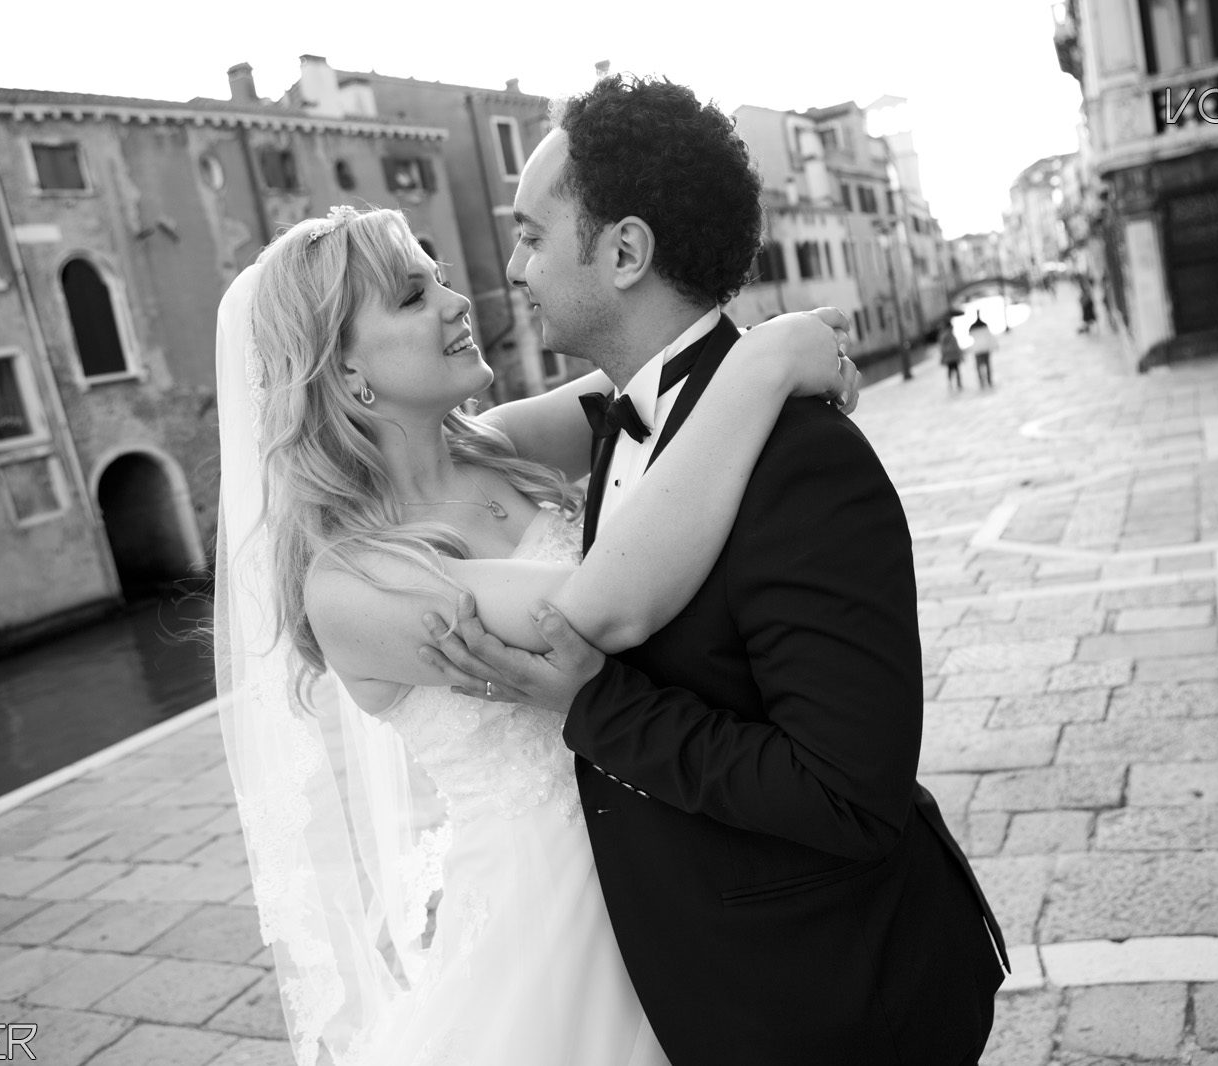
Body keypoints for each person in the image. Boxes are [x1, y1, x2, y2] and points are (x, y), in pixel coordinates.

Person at [421, 75, 1008, 1066]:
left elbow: (848, 794)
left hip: (831, 1005)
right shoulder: (621, 419)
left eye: (530, 234)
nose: (512, 266)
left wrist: (599, 704)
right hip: (710, 993)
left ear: (623, 252)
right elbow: (444, 446)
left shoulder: (800, 459)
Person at [212, 203, 854, 1066]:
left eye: (439, 275)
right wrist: (771, 364)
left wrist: (789, 338)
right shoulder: (354, 584)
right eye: (412, 295)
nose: (455, 299)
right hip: (552, 928)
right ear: (345, 370)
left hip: (673, 865)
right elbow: (609, 605)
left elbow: (670, 369)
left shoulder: (500, 444)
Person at [969, 310, 997, 388]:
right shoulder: (984, 324)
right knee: (987, 366)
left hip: (978, 350)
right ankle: (989, 381)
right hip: (984, 349)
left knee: (979, 367)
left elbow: (970, 335)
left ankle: (982, 383)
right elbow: (989, 336)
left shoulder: (972, 326)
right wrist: (994, 345)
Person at [938, 322, 964, 391]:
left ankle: (952, 384)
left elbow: (942, 347)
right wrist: (960, 354)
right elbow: (955, 346)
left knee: (951, 370)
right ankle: (957, 383)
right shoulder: (949, 336)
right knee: (955, 370)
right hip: (952, 356)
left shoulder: (943, 335)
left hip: (949, 356)